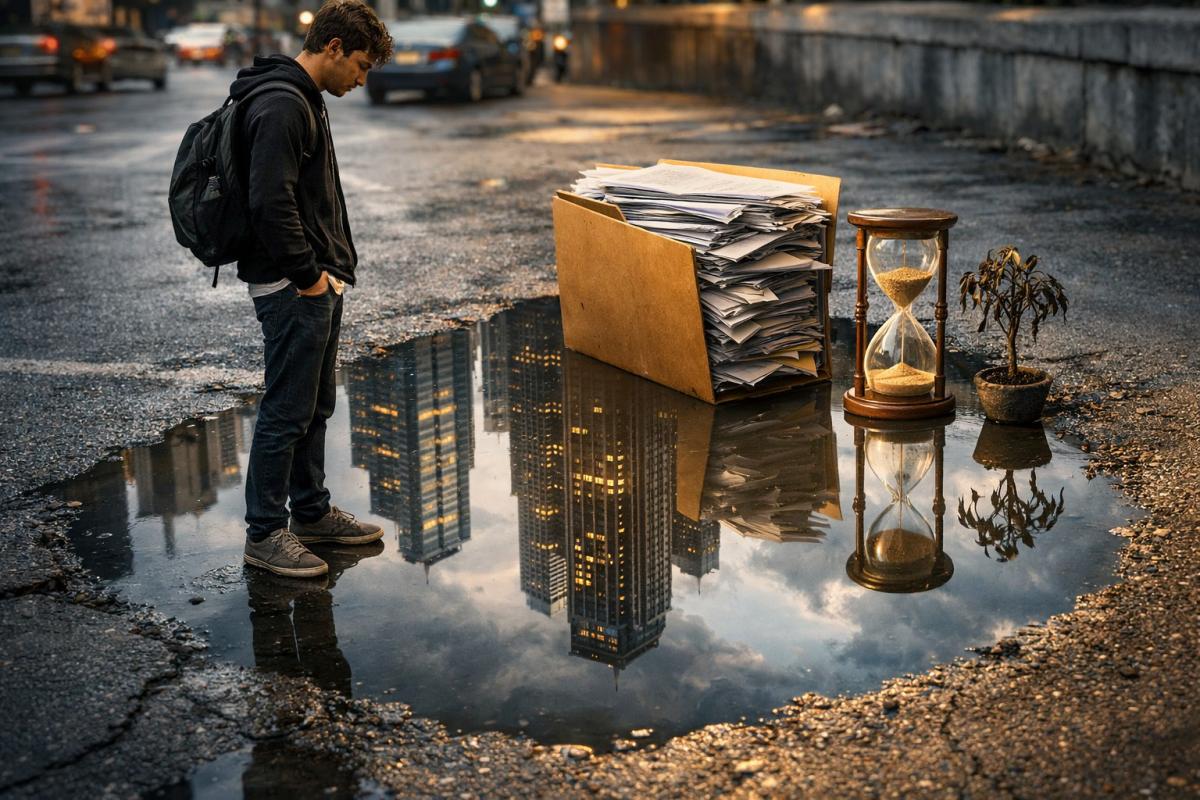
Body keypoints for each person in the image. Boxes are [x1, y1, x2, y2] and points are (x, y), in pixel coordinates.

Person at [233, 0, 393, 578]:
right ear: (333, 48)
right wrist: (309, 278)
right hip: (291, 286)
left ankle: (311, 513)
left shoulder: (305, 98)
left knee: (314, 406)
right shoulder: (281, 104)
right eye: (360, 64)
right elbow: (269, 203)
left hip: (316, 281)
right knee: (286, 409)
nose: (361, 77)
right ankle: (265, 534)